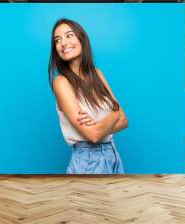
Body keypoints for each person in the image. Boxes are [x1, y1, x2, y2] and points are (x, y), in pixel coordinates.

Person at [48, 18, 128, 174]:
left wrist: (99, 124)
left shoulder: (97, 74)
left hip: (113, 156)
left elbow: (125, 121)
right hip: (88, 161)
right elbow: (94, 135)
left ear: (81, 39)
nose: (63, 43)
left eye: (69, 35)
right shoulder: (61, 82)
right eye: (57, 40)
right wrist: (115, 112)